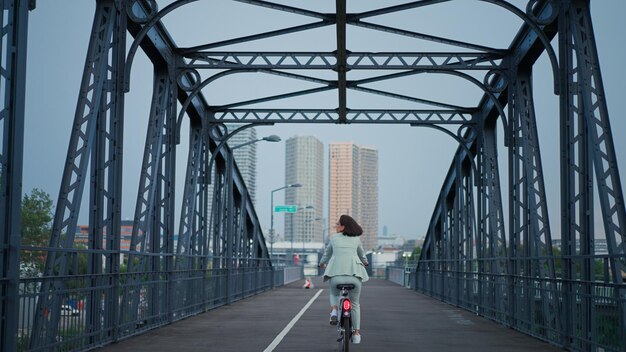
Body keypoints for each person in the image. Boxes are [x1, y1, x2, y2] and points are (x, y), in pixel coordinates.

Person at [318, 214, 369, 344]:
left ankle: (334, 310)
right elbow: (362, 255)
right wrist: (365, 261)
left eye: (337, 224)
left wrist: (322, 263)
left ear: (343, 227)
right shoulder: (356, 239)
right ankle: (356, 333)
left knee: (334, 293)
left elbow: (327, 254)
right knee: (355, 304)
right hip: (355, 276)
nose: (335, 226)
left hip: (336, 275)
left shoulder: (334, 238)